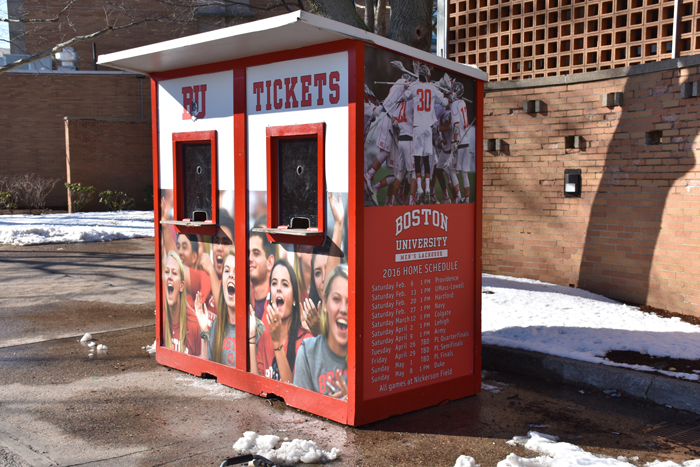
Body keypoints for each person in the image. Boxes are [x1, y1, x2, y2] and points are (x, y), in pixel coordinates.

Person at [250, 259, 312, 383]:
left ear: (294, 299)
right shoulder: (264, 338)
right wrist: (251, 338)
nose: (278, 288)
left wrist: (277, 343)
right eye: (274, 283)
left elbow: (294, 394)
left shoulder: (306, 342)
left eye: (285, 284)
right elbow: (257, 387)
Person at [293, 264, 349, 400]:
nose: (343, 309)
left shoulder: (367, 356)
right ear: (325, 303)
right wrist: (330, 409)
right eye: (336, 299)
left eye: (350, 301)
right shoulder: (307, 353)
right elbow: (298, 416)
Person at [194, 246, 238, 365]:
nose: (231, 275)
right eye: (227, 270)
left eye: (237, 271)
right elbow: (206, 369)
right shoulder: (216, 325)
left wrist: (210, 270)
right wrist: (204, 331)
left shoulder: (255, 327)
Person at [163, 251, 199, 354]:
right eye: (166, 272)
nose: (169, 276)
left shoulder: (194, 324)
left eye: (174, 273)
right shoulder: (162, 320)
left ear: (181, 286)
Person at [249, 231, 274, 320]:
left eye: (256, 253)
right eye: (247, 253)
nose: (249, 258)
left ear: (270, 262)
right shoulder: (240, 297)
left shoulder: (278, 300)